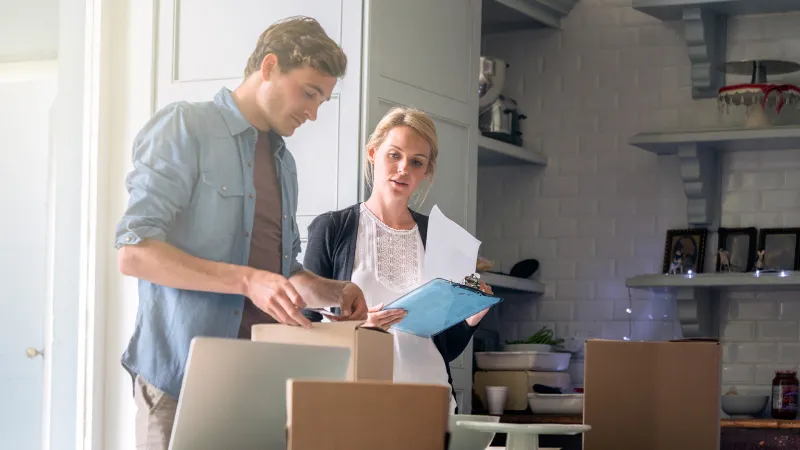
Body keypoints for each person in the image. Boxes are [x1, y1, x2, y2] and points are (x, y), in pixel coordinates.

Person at [114, 16, 368, 449]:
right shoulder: (185, 127)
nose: (314, 112)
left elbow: (285, 272)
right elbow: (134, 253)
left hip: (257, 381)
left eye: (324, 100)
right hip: (178, 379)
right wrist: (247, 280)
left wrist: (334, 291)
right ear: (269, 67)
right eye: (309, 92)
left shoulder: (284, 163)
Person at [302, 107, 494, 414]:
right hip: (353, 405)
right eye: (394, 155)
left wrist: (472, 318)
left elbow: (442, 347)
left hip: (430, 403)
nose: (404, 167)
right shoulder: (333, 229)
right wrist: (360, 328)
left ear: (426, 172)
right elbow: (302, 329)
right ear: (373, 153)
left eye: (416, 162)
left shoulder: (440, 237)